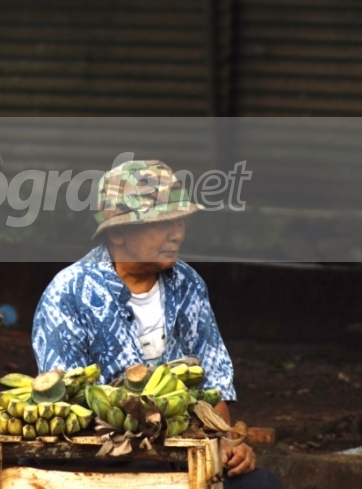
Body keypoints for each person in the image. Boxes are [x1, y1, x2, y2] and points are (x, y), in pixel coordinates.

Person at [32, 160, 281, 488]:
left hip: (183, 455)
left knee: (261, 484)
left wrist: (227, 444)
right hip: (102, 463)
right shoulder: (70, 292)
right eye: (162, 223)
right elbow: (63, 405)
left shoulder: (188, 284)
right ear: (118, 232)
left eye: (179, 222)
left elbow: (213, 386)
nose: (176, 234)